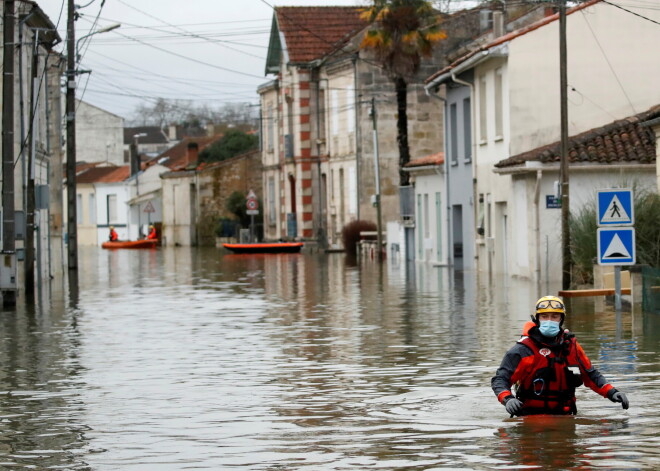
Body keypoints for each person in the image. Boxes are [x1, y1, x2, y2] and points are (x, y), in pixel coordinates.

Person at [492, 295, 629, 416]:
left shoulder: (571, 346)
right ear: (537, 319)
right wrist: (507, 399)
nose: (549, 320)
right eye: (544, 316)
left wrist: (611, 392)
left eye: (554, 316)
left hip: (564, 415)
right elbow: (501, 379)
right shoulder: (523, 349)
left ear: (561, 319)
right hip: (531, 417)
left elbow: (590, 375)